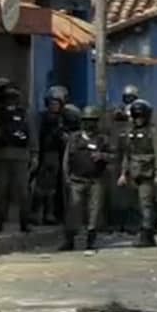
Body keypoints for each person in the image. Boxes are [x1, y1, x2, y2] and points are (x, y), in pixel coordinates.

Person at [60, 105, 111, 251]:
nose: (90, 124)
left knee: (94, 212)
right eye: (87, 120)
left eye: (93, 121)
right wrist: (67, 178)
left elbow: (114, 157)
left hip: (96, 180)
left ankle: (91, 240)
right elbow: (66, 159)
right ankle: (69, 240)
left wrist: (102, 156)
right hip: (77, 180)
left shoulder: (102, 139)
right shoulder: (74, 138)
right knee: (73, 211)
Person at [0, 78, 37, 233]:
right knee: (1, 191)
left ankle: (24, 222)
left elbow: (31, 134)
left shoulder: (24, 113)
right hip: (1, 155)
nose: (11, 101)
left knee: (22, 192)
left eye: (13, 97)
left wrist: (34, 154)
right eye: (8, 97)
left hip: (20, 155)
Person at [118, 99, 157, 247]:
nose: (139, 120)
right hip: (133, 173)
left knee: (146, 204)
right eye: (136, 117)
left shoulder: (152, 132)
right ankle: (142, 231)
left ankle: (147, 234)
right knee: (137, 205)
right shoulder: (130, 132)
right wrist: (123, 174)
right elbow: (127, 154)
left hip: (147, 173)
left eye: (141, 117)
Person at [108, 85, 140, 232]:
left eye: (131, 97)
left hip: (134, 154)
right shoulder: (118, 113)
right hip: (118, 155)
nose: (129, 101)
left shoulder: (139, 112)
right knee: (117, 191)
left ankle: (133, 223)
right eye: (127, 97)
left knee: (133, 191)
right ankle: (116, 222)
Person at [35, 85, 69, 225]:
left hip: (61, 155)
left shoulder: (65, 118)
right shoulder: (44, 118)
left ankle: (54, 213)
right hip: (47, 154)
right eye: (52, 103)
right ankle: (41, 213)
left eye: (57, 103)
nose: (54, 106)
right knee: (44, 187)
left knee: (57, 187)